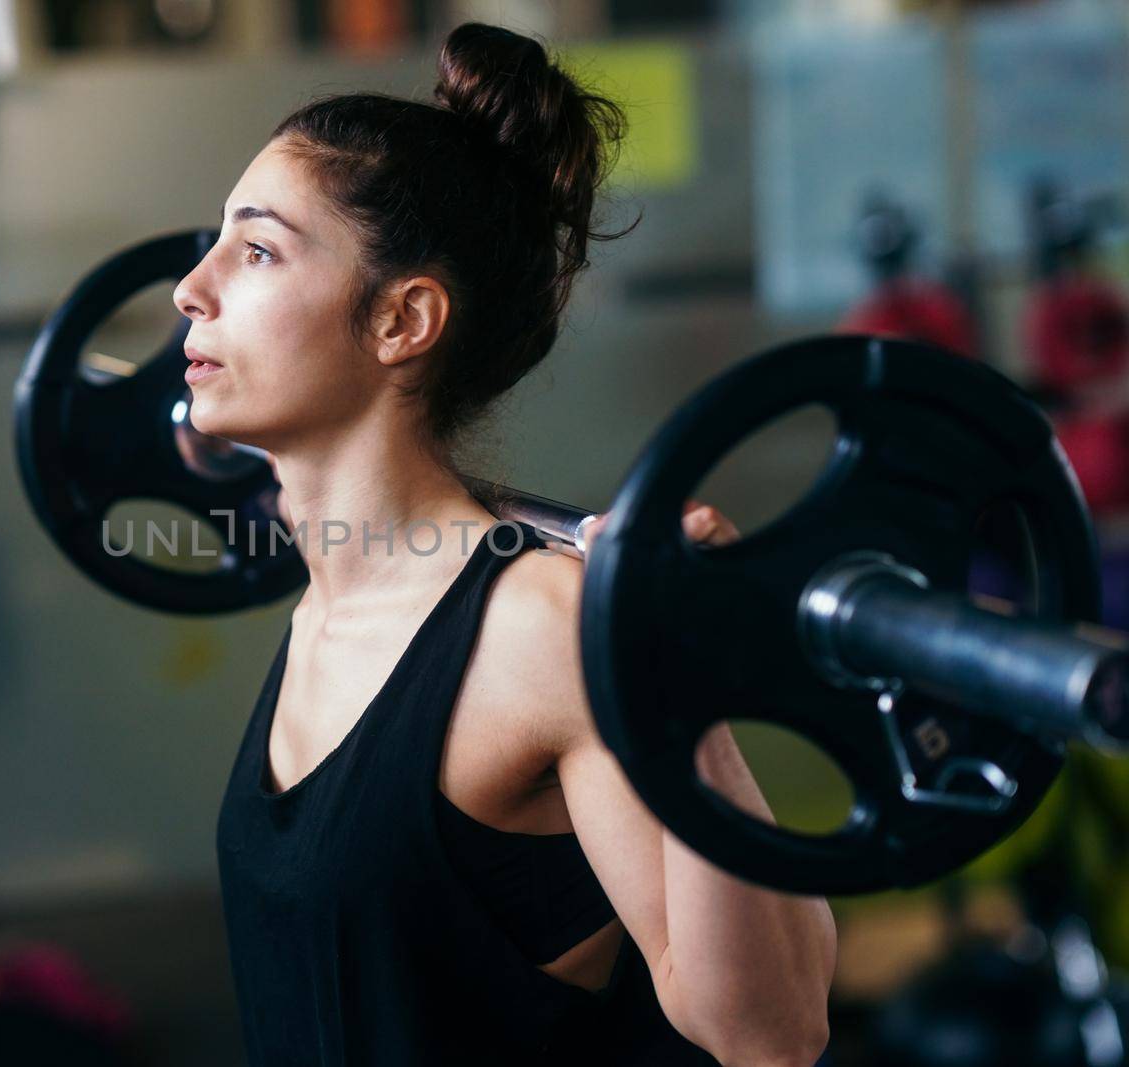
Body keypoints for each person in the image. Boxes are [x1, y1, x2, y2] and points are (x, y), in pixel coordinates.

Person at [171, 22, 836, 1066]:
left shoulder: (541, 627)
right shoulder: (324, 602)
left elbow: (771, 1031)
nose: (190, 288)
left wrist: (687, 701)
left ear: (402, 320)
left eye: (254, 249)